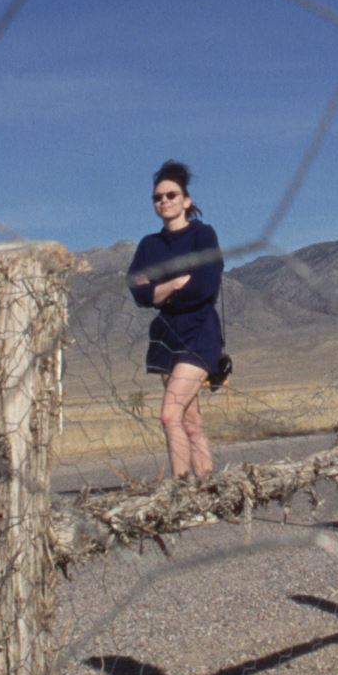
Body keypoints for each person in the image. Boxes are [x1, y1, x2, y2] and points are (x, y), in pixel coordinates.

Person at [127, 159, 224, 481]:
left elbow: (205, 285)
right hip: (167, 335)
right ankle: (210, 493)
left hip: (199, 332)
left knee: (169, 416)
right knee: (190, 421)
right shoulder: (148, 245)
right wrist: (173, 284)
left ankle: (180, 494)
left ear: (186, 201)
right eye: (158, 197)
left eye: (171, 195)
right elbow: (138, 292)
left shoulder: (202, 235)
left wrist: (159, 290)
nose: (164, 201)